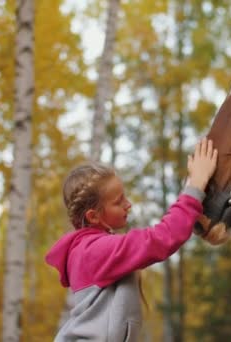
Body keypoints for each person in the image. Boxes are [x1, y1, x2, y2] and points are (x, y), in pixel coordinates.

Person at [45, 138, 218, 341]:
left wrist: (191, 188)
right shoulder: (95, 251)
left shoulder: (89, 249)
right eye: (118, 202)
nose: (128, 204)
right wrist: (196, 186)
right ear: (93, 216)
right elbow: (161, 239)